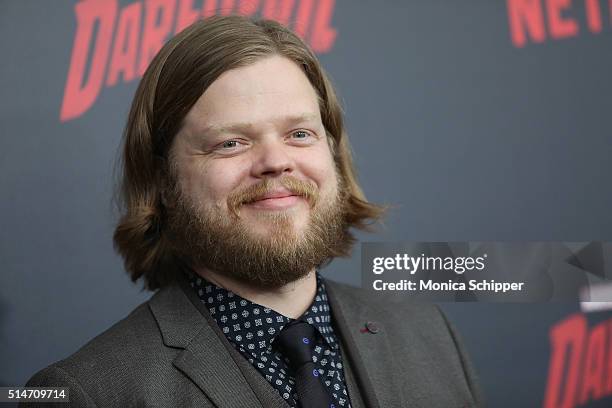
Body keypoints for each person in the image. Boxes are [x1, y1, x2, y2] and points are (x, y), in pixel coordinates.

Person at [24, 15, 483, 408]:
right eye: (231, 142)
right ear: (162, 180)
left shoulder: (428, 333)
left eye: (300, 133)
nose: (276, 161)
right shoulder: (88, 393)